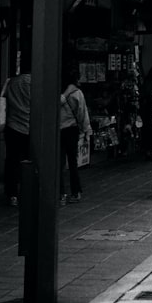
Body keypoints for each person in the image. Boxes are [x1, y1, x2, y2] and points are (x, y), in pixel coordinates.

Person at [0, 64, 31, 207]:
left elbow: (0, 100)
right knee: (29, 161)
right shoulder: (35, 83)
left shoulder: (11, 82)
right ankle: (27, 191)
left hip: (12, 126)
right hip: (30, 126)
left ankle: (11, 193)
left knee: (12, 160)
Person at [59, 68, 92, 205]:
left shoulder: (57, 91)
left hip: (57, 131)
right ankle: (75, 192)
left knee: (59, 163)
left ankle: (60, 194)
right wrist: (87, 130)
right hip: (72, 130)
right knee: (73, 162)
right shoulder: (77, 94)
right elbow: (82, 113)